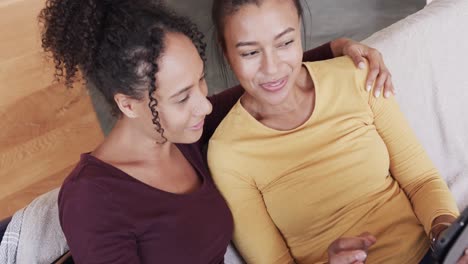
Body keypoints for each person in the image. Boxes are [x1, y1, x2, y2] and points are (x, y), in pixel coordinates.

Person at [39, 0, 395, 262]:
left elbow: (259, 82)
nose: (205, 105)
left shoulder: (184, 137)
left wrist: (341, 49)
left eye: (200, 82)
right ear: (128, 105)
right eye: (182, 97)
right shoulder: (93, 200)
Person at [207, 0, 467, 263]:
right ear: (226, 52)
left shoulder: (356, 77)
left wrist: (447, 237)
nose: (272, 68)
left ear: (298, 31)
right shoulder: (228, 153)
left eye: (285, 43)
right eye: (250, 53)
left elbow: (421, 180)